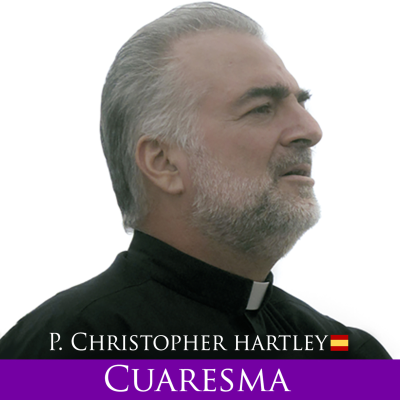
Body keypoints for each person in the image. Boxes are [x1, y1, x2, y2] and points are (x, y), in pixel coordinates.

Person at [0, 2, 391, 359]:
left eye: (300, 103)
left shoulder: (348, 357)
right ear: (164, 162)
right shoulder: (62, 349)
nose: (310, 130)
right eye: (261, 108)